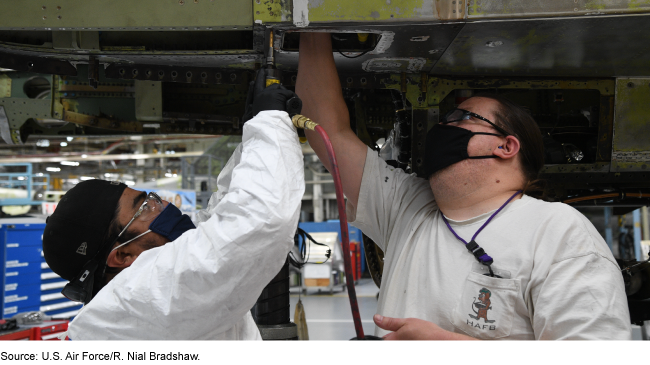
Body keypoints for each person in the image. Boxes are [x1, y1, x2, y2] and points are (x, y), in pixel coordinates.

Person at [296, 33, 631, 340]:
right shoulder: (406, 208)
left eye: (463, 118)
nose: (444, 127)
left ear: (506, 146)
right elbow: (329, 130)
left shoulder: (558, 232)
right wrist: (311, 28)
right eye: (445, 120)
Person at [42, 84, 305, 340]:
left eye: (151, 199)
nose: (162, 206)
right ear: (121, 255)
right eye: (144, 208)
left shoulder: (126, 299)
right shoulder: (139, 300)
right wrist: (270, 121)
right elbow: (259, 222)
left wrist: (255, 132)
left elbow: (218, 222)